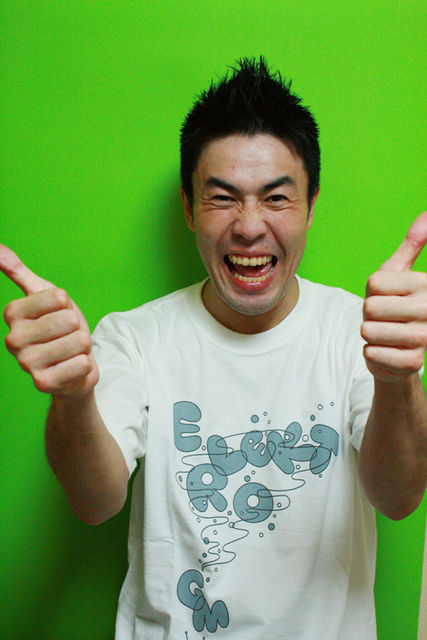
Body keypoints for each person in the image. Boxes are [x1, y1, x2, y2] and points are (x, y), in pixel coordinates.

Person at [1, 58, 426, 640]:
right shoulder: (134, 337)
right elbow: (94, 501)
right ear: (188, 208)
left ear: (311, 207)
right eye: (223, 198)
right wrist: (73, 395)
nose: (249, 227)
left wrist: (398, 381)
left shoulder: (358, 329)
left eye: (276, 198)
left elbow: (398, 498)